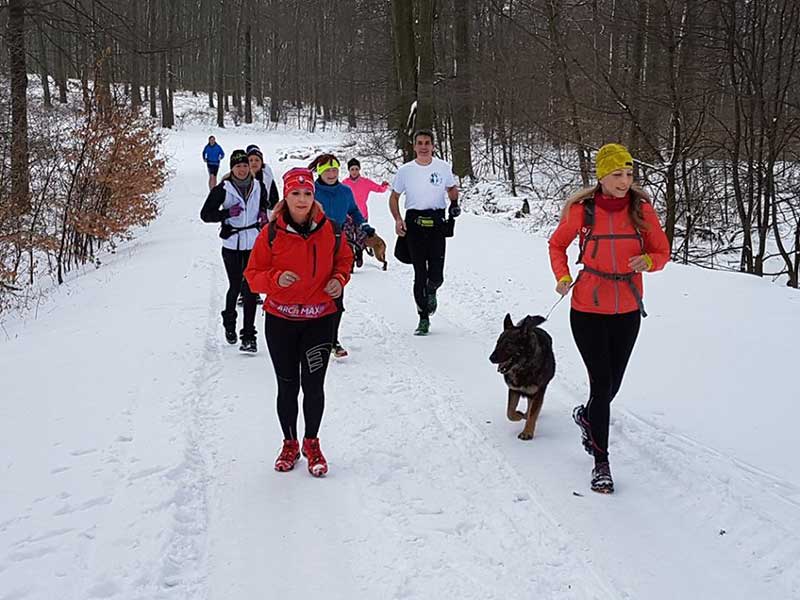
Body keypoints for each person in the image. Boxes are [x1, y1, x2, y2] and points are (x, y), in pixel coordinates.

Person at [548, 143, 670, 494]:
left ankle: (587, 418)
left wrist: (648, 262)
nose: (625, 180)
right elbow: (557, 245)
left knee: (611, 386)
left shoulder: (641, 210)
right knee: (601, 385)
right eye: (617, 174)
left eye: (629, 174)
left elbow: (662, 252)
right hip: (587, 307)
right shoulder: (582, 211)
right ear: (601, 176)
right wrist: (562, 275)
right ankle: (601, 464)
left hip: (628, 309)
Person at [244, 167, 353, 477]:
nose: (302, 199)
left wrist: (339, 278)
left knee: (314, 386)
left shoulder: (331, 229)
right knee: (288, 386)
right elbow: (252, 277)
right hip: (281, 321)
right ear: (286, 197)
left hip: (320, 320)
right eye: (295, 193)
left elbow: (343, 260)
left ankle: (312, 442)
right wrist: (276, 278)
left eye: (307, 193)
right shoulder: (271, 233)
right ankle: (290, 443)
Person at [389, 129, 460, 336]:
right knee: (419, 274)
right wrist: (398, 219)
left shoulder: (443, 167)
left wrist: (454, 203)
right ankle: (423, 318)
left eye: (427, 143)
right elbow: (394, 197)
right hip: (415, 225)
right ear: (414, 146)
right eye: (419, 143)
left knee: (436, 275)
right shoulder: (405, 171)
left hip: (437, 223)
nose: (423, 146)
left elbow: (452, 189)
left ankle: (432, 290)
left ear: (433, 146)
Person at [200, 149, 271, 353]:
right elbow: (205, 214)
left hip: (253, 243)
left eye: (245, 165)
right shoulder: (223, 188)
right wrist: (225, 214)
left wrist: (263, 215)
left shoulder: (258, 186)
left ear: (250, 167)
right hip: (231, 244)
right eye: (238, 166)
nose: (242, 169)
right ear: (232, 168)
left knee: (251, 288)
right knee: (234, 285)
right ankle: (229, 321)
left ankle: (249, 335)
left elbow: (264, 205)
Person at [308, 153, 376, 358]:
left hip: (338, 244)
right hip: (312, 246)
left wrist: (363, 224)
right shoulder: (311, 190)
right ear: (319, 172)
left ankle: (332, 339)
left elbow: (354, 211)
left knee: (336, 293)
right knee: (313, 292)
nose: (331, 174)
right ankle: (311, 336)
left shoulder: (345, 191)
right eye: (327, 170)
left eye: (335, 170)